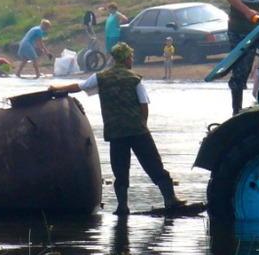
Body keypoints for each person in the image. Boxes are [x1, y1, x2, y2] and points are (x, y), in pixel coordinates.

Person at [49, 42, 185, 216]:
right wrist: (142, 124)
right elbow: (143, 104)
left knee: (120, 171)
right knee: (154, 165)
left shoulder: (101, 77)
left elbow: (79, 87)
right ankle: (170, 199)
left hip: (116, 132)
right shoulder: (134, 78)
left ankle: (122, 207)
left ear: (114, 59)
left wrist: (56, 89)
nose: (132, 61)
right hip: (138, 131)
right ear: (127, 59)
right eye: (131, 58)